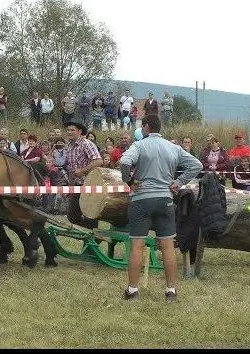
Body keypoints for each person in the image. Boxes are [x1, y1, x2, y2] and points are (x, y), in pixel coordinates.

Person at [119, 114, 203, 301]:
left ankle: (132, 290)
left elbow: (124, 162)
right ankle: (170, 291)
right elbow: (197, 165)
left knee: (137, 246)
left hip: (141, 199)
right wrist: (179, 181)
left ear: (147, 127)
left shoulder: (139, 145)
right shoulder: (173, 147)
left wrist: (129, 181)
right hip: (165, 198)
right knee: (167, 246)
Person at [63, 120, 102, 229]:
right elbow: (71, 170)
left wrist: (83, 170)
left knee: (90, 217)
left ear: (80, 131)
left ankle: (92, 237)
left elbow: (99, 161)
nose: (69, 132)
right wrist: (70, 187)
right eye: (68, 130)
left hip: (90, 185)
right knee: (72, 216)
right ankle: (93, 234)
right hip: (76, 186)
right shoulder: (68, 147)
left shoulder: (87, 144)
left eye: (72, 130)